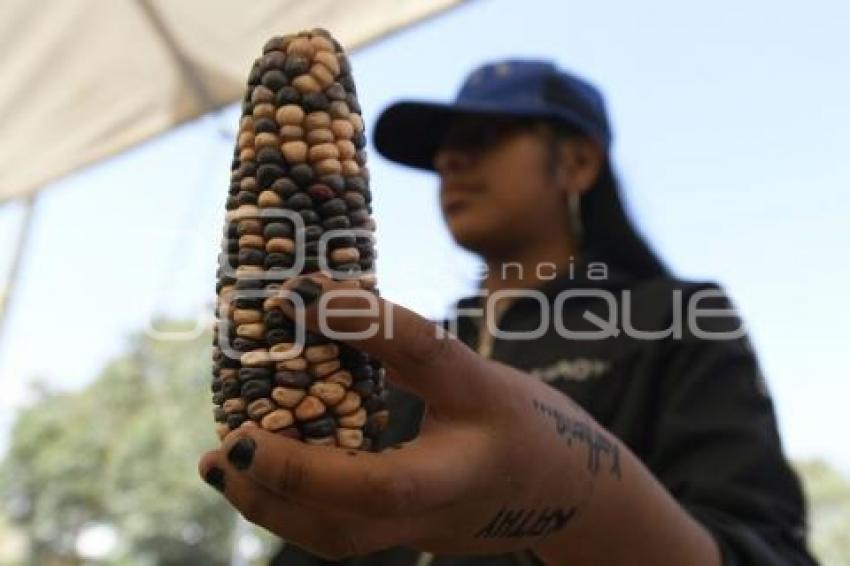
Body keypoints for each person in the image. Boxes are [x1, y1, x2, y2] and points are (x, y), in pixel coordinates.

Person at [199, 60, 818, 565]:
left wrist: (581, 490)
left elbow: (764, 547)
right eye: (441, 150)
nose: (449, 162)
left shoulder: (679, 318)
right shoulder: (404, 352)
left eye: (484, 139)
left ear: (576, 163)